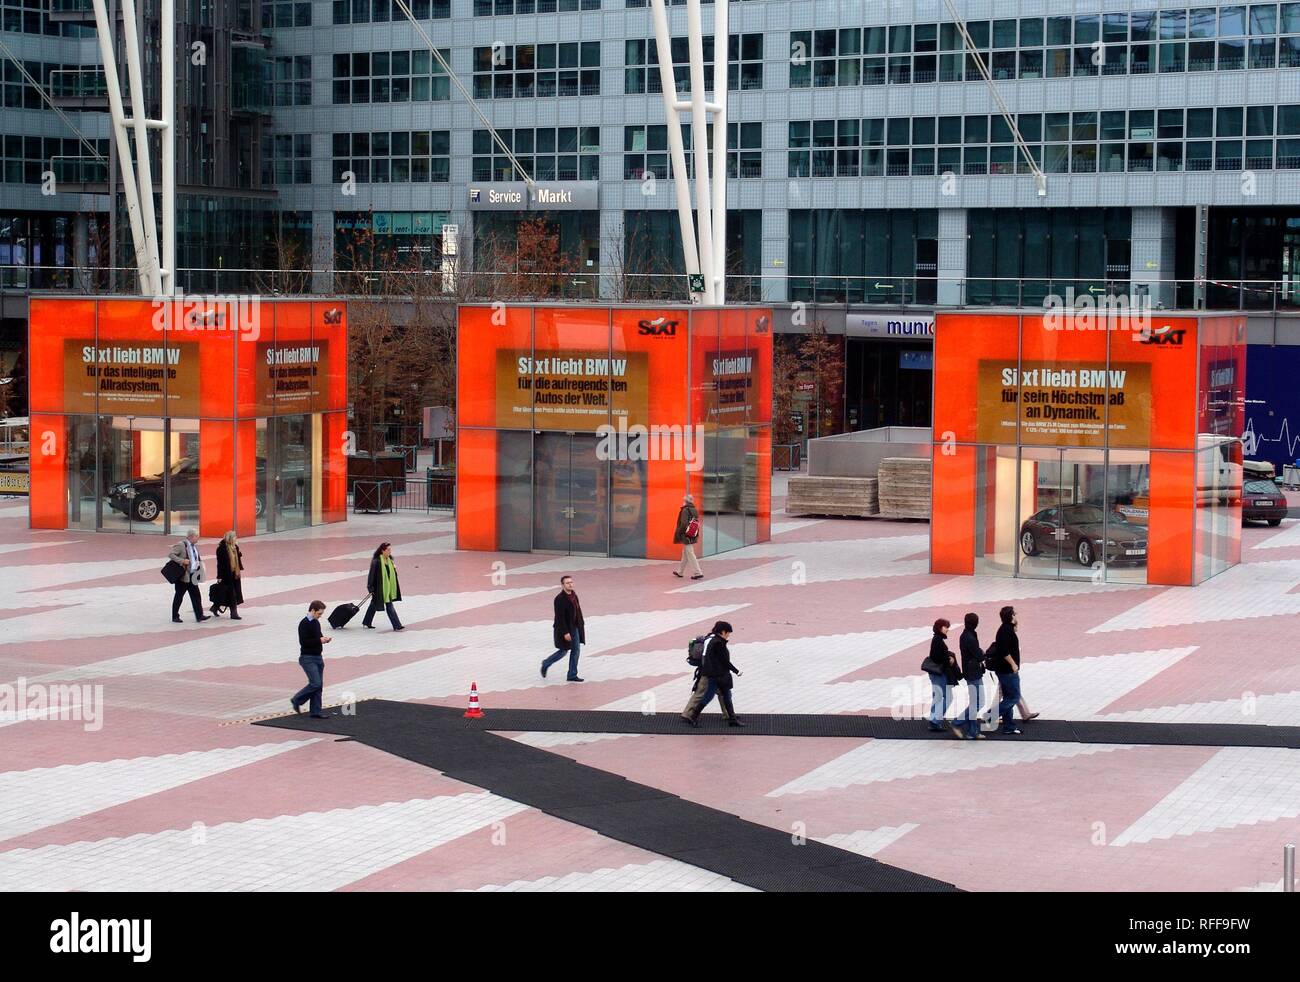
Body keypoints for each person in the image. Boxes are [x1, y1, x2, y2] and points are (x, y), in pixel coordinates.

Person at [682, 620, 742, 727]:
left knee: (724, 695)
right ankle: (690, 715)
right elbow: (724, 661)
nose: (728, 636)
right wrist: (736, 671)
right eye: (728, 633)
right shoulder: (718, 643)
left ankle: (731, 718)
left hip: (712, 673)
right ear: (723, 632)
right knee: (706, 695)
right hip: (715, 674)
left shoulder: (711, 638)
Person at [291, 600, 334, 718]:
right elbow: (304, 642)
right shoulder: (304, 623)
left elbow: (318, 636)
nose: (320, 616)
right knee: (315, 683)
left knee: (318, 686)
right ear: (312, 610)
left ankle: (316, 711)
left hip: (318, 657)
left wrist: (324, 639)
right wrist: (319, 640)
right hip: (307, 658)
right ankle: (297, 699)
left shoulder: (316, 622)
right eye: (319, 613)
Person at [541, 575, 585, 682]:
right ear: (562, 585)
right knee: (563, 651)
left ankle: (572, 674)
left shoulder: (574, 595)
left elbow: (578, 611)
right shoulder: (560, 599)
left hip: (575, 627)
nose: (570, 584)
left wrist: (581, 624)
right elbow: (559, 618)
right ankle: (546, 663)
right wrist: (565, 632)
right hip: (564, 629)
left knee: (576, 650)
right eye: (567, 583)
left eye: (571, 582)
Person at [994, 605, 1028, 735]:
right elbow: (1004, 651)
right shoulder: (1005, 631)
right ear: (1010, 616)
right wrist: (1013, 664)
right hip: (1007, 670)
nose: (1016, 616)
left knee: (1008, 697)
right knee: (1014, 697)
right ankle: (991, 715)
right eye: (1014, 614)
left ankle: (1009, 726)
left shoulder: (1007, 629)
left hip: (1005, 670)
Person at [168, 529, 210, 624]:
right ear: (191, 537)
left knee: (196, 596)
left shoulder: (194, 546)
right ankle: (175, 616)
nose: (198, 538)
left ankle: (199, 615)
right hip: (183, 576)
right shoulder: (181, 545)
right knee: (179, 596)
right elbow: (171, 554)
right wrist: (182, 561)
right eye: (197, 537)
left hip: (192, 575)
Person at [925, 618, 959, 734]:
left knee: (938, 697)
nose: (947, 629)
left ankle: (934, 721)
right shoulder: (938, 640)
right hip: (939, 674)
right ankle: (935, 720)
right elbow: (937, 657)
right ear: (940, 627)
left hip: (935, 674)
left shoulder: (937, 639)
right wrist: (948, 659)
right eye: (946, 627)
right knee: (948, 697)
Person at [362, 542, 404, 631]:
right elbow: (371, 576)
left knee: (376, 605)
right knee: (379, 605)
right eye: (388, 550)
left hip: (388, 588)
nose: (390, 552)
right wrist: (370, 588)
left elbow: (392, 574)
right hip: (379, 588)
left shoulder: (390, 560)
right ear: (382, 551)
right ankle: (397, 625)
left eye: (390, 550)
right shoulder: (376, 561)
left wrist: (394, 568)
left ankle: (367, 622)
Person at [958, 612, 987, 740]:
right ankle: (958, 723)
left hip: (970, 671)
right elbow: (979, 655)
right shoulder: (969, 637)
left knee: (975, 702)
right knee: (978, 702)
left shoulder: (965, 635)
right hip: (973, 672)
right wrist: (982, 654)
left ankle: (972, 731)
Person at [212, 530, 245, 619]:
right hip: (226, 575)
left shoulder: (235, 547)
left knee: (230, 593)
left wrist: (238, 554)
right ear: (230, 538)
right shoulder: (221, 549)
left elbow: (237, 558)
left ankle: (215, 607)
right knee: (231, 594)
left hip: (235, 574)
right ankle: (234, 614)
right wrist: (219, 576)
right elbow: (219, 564)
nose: (236, 539)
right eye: (234, 537)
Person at [672, 494, 704, 580]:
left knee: (690, 553)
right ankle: (680, 572)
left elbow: (683, 523)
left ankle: (698, 572)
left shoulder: (685, 510)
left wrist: (679, 533)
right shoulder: (694, 509)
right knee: (685, 554)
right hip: (692, 533)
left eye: (683, 500)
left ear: (685, 501)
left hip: (686, 535)